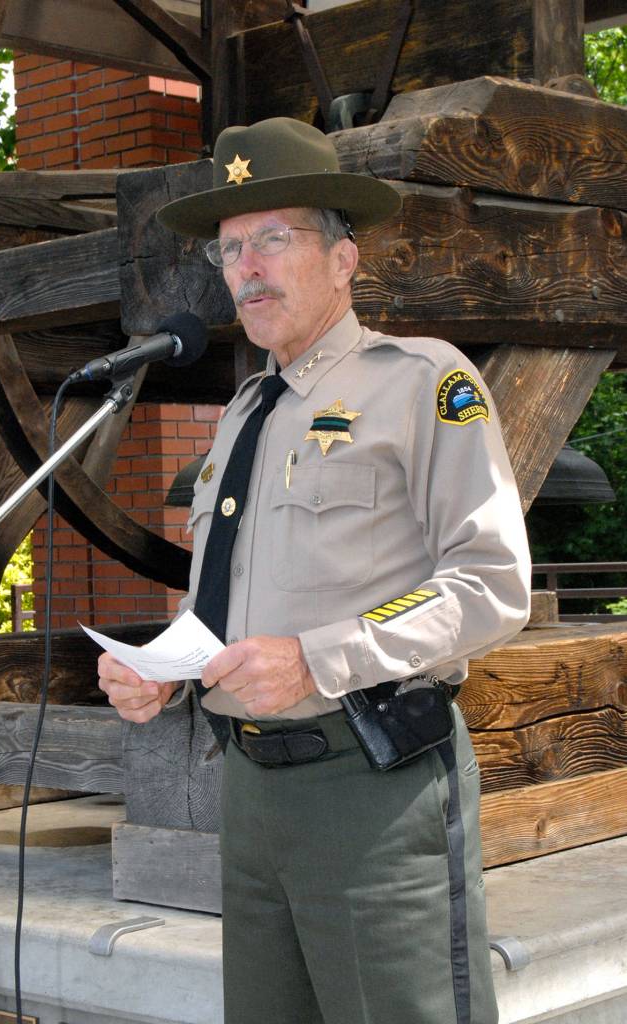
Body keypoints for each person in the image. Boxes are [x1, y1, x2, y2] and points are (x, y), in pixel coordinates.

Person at [98, 117, 531, 1024]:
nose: (246, 267)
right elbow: (232, 603)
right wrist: (165, 671)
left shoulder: (422, 381)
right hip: (248, 796)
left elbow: (489, 583)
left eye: (274, 239)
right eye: (229, 250)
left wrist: (318, 656)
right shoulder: (244, 412)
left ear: (344, 258)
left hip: (370, 788)